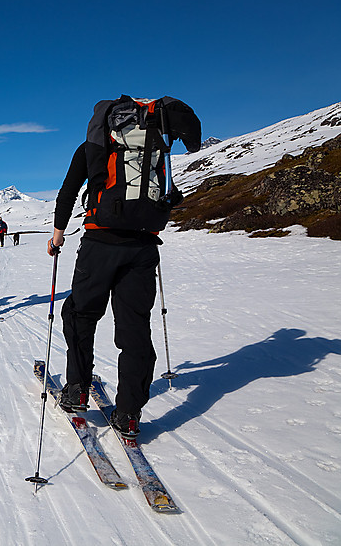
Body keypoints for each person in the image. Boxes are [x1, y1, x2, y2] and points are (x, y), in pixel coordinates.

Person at [48, 95, 200, 439]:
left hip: (100, 245)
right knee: (134, 328)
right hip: (143, 247)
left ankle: (77, 391)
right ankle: (129, 413)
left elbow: (68, 192)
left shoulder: (92, 147)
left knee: (80, 315)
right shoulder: (157, 145)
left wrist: (57, 237)